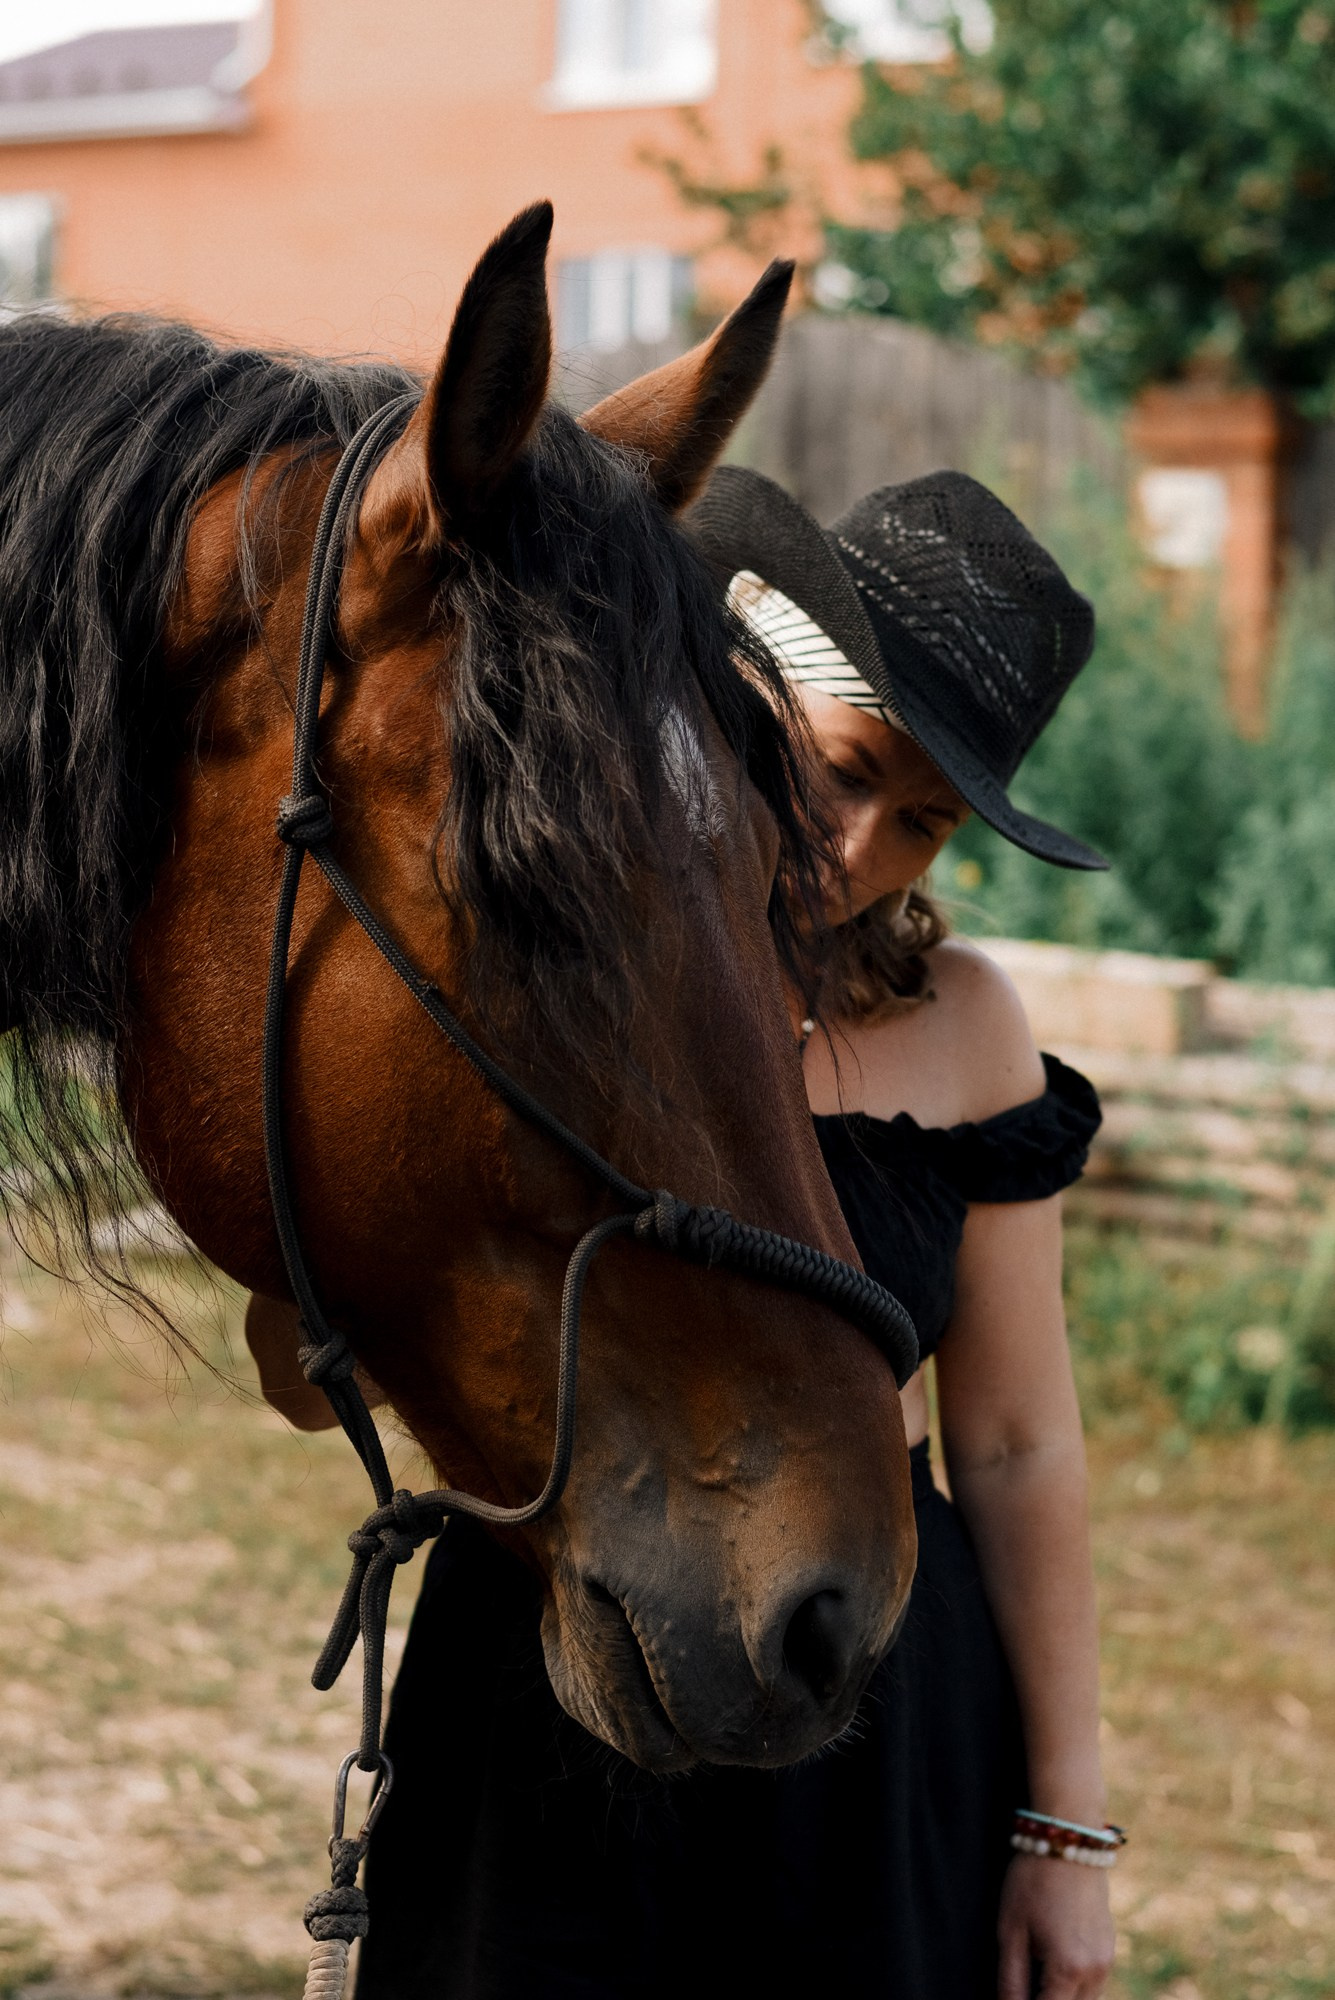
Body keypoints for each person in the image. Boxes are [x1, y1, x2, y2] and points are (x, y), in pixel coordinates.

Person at [249, 469, 1119, 2000]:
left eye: (920, 819)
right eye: (843, 769)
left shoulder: (969, 1029)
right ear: (738, 689)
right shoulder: (560, 990)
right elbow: (316, 1362)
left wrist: (1067, 1826)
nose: (855, 849)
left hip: (869, 1692)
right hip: (549, 1655)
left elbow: (1018, 1447)